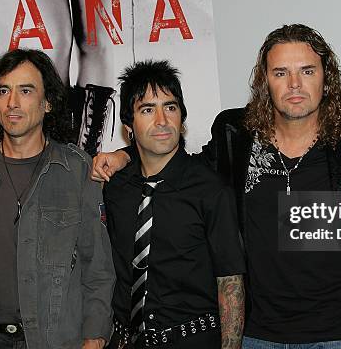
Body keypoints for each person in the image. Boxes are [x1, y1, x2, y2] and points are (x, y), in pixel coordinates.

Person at [91, 24, 341, 348]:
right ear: (264, 82)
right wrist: (126, 154)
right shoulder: (235, 136)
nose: (293, 85)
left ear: (326, 79)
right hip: (258, 334)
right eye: (280, 73)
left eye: (307, 71)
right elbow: (178, 162)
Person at [0, 48, 115, 349]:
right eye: (4, 91)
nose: (12, 103)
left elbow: (98, 268)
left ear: (48, 103)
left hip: (54, 341)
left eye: (25, 90)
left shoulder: (77, 169)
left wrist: (94, 339)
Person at [104, 60, 245, 349]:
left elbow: (230, 281)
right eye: (147, 110)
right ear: (128, 125)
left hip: (192, 340)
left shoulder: (211, 189)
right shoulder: (115, 186)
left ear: (182, 117)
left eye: (170, 107)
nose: (162, 120)